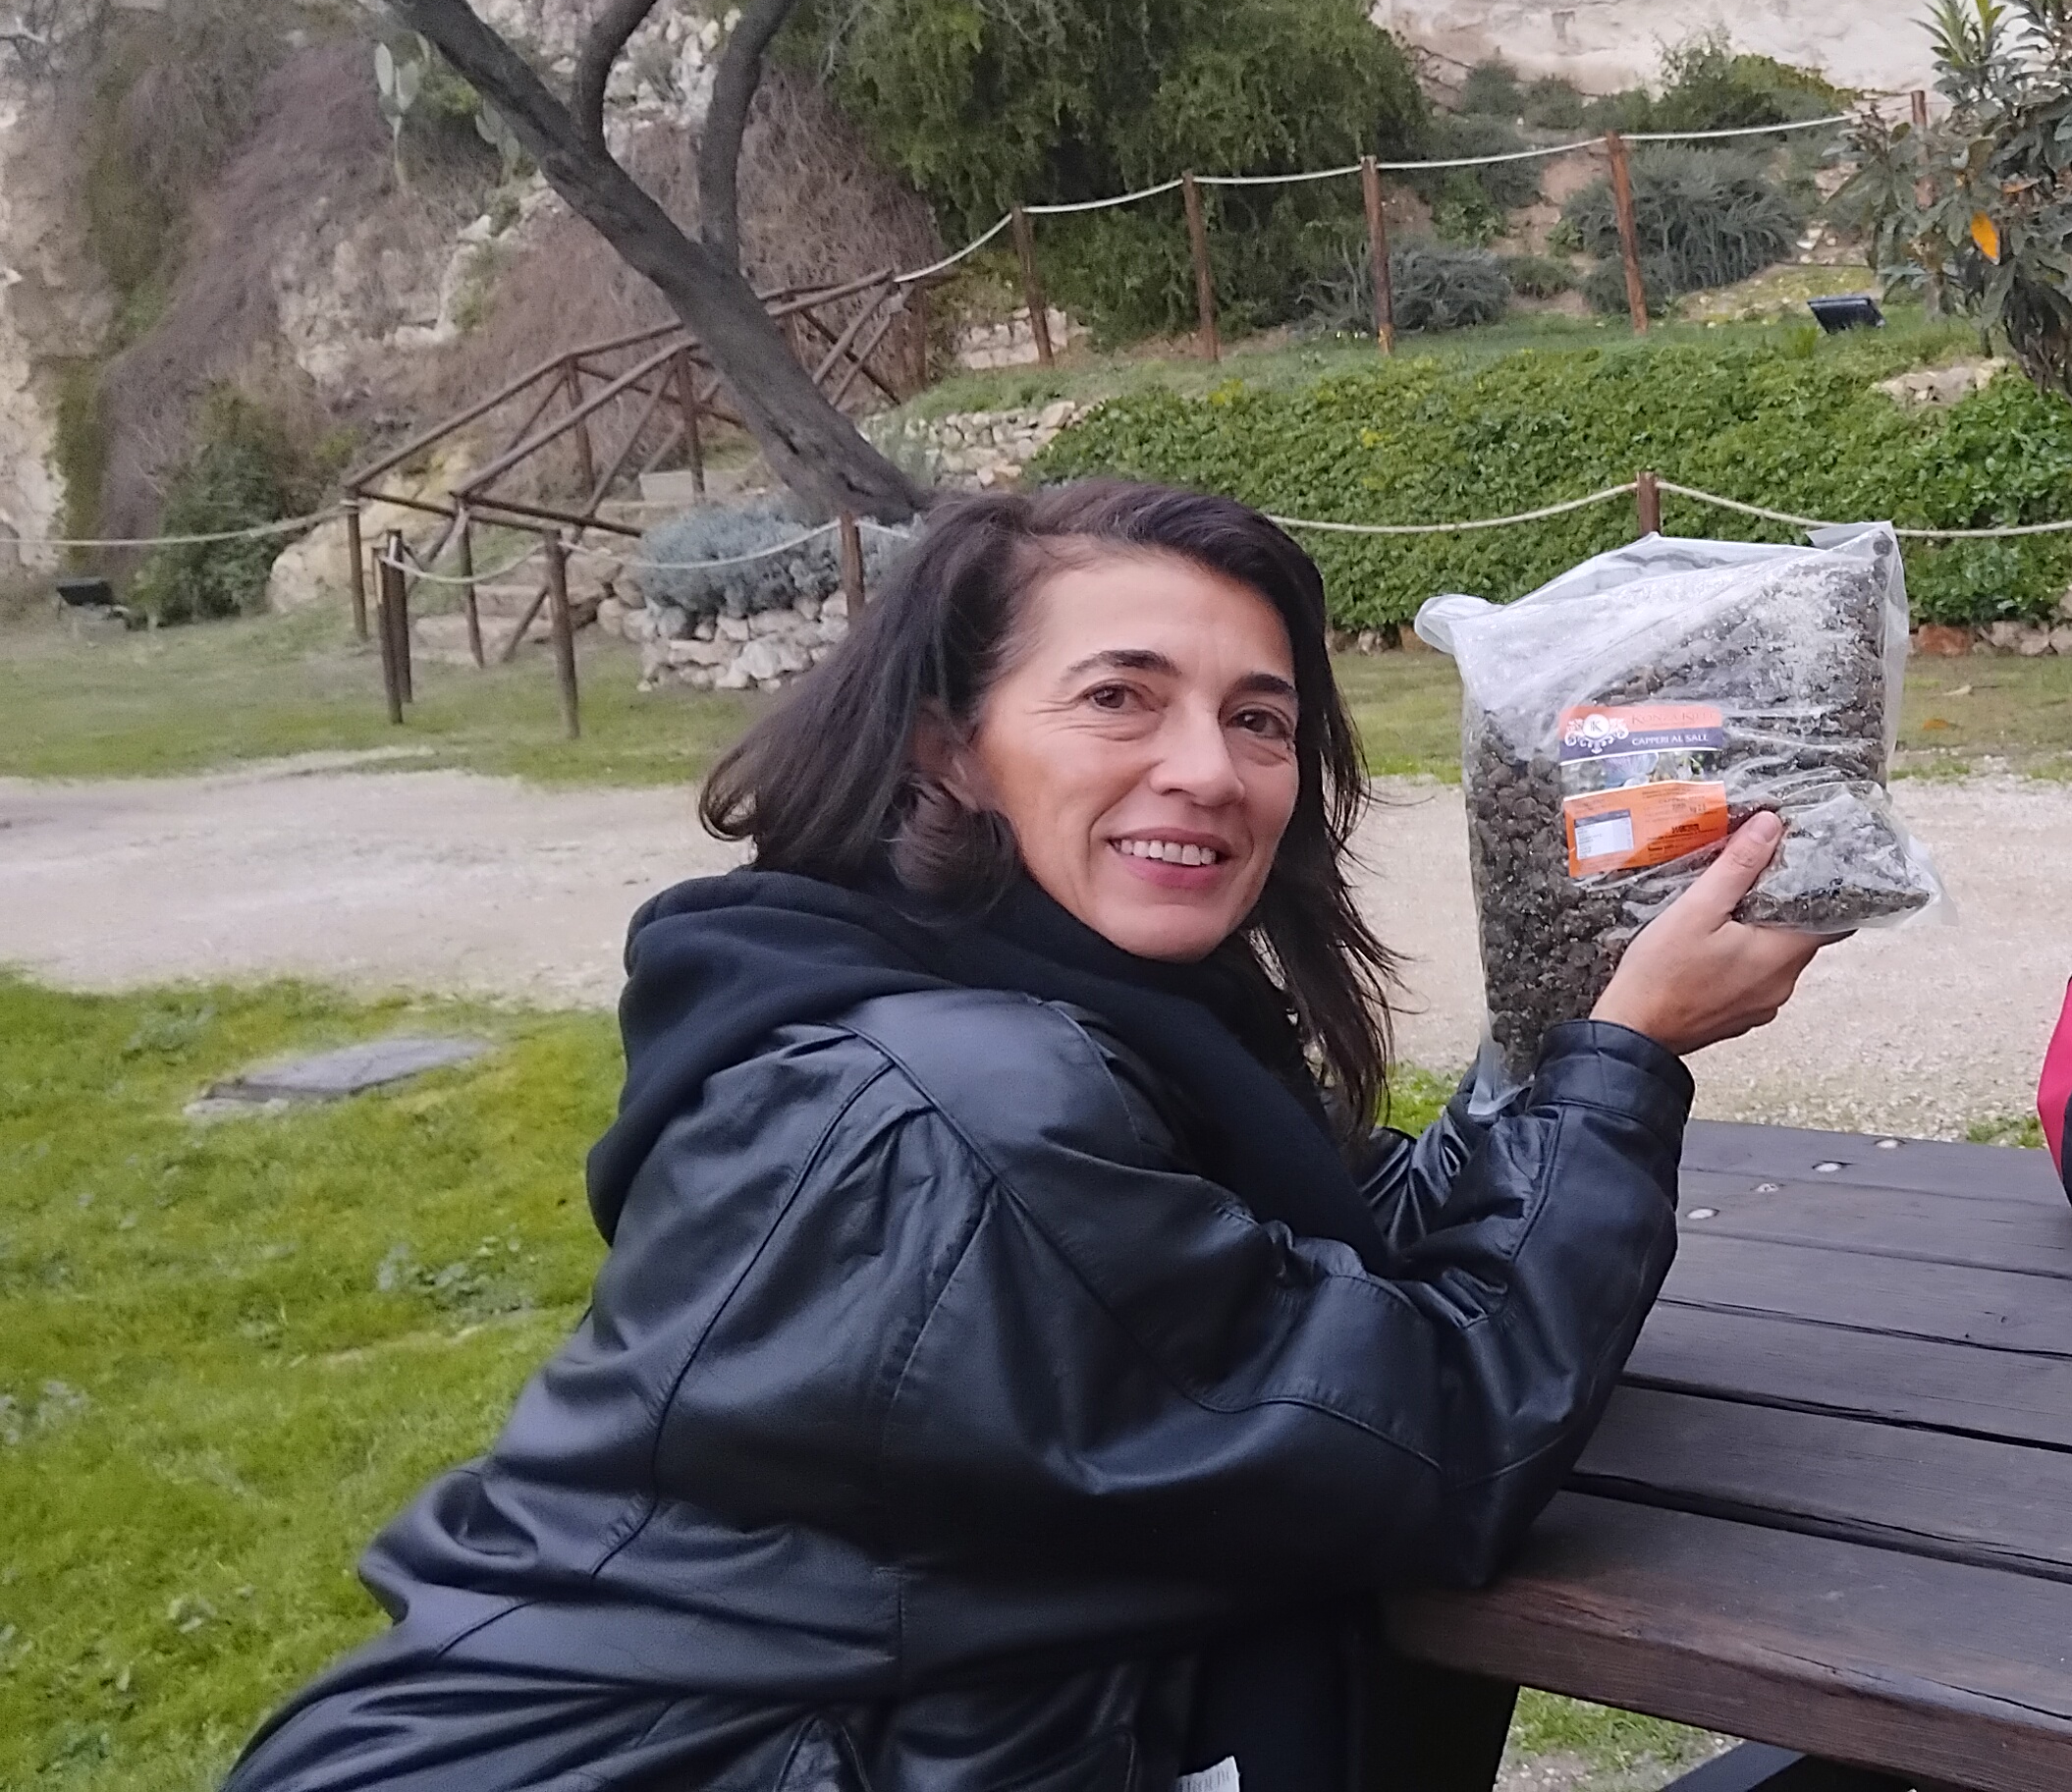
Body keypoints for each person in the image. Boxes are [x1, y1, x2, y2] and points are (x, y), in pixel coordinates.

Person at [225, 482, 1835, 1791]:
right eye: (1119, 698)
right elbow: (1444, 1442)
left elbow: (1333, 1292)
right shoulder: (956, 1115)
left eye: (1259, 719)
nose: (1207, 770)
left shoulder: (1041, 1003)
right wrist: (1622, 1061)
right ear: (949, 745)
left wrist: (1569, 1023)